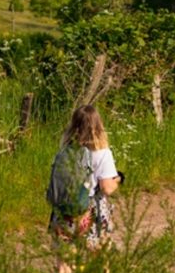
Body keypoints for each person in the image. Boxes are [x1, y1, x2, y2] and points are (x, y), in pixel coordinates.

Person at [48, 105, 123, 251]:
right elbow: (106, 188)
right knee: (99, 258)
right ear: (98, 126)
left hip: (63, 210)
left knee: (65, 263)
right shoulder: (102, 153)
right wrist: (118, 180)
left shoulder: (65, 150)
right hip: (90, 212)